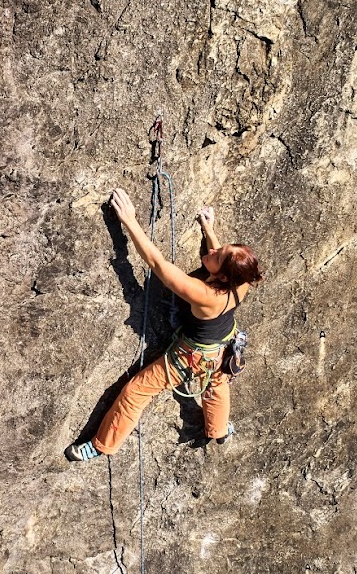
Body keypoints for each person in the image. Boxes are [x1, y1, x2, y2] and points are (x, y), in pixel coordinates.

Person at [66, 189, 263, 461]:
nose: (212, 251)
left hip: (191, 355)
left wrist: (130, 221)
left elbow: (158, 264)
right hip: (223, 347)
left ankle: (102, 446)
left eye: (216, 256)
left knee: (135, 392)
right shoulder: (242, 282)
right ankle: (218, 430)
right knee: (217, 384)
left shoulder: (204, 295)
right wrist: (209, 230)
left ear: (222, 275)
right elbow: (224, 261)